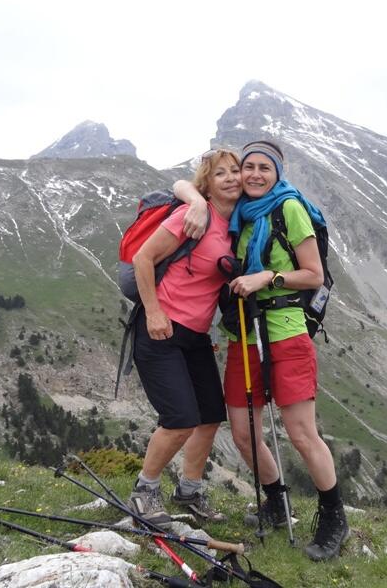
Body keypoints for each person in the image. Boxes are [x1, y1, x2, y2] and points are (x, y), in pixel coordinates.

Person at [174, 140, 349, 561]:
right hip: (245, 335)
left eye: (263, 168)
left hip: (286, 332)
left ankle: (333, 517)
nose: (253, 174)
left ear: (277, 172)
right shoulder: (242, 213)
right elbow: (181, 185)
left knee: (301, 433)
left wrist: (266, 277)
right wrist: (194, 199)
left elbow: (313, 274)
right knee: (243, 432)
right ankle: (276, 501)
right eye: (247, 166)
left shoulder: (289, 208)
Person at [125, 148, 242, 527]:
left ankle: (189, 490)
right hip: (160, 330)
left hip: (195, 336)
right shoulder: (192, 216)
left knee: (210, 415)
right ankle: (144, 491)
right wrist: (154, 312)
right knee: (179, 419)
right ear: (207, 183)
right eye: (220, 173)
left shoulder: (235, 225)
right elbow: (143, 258)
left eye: (235, 171)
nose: (231, 177)